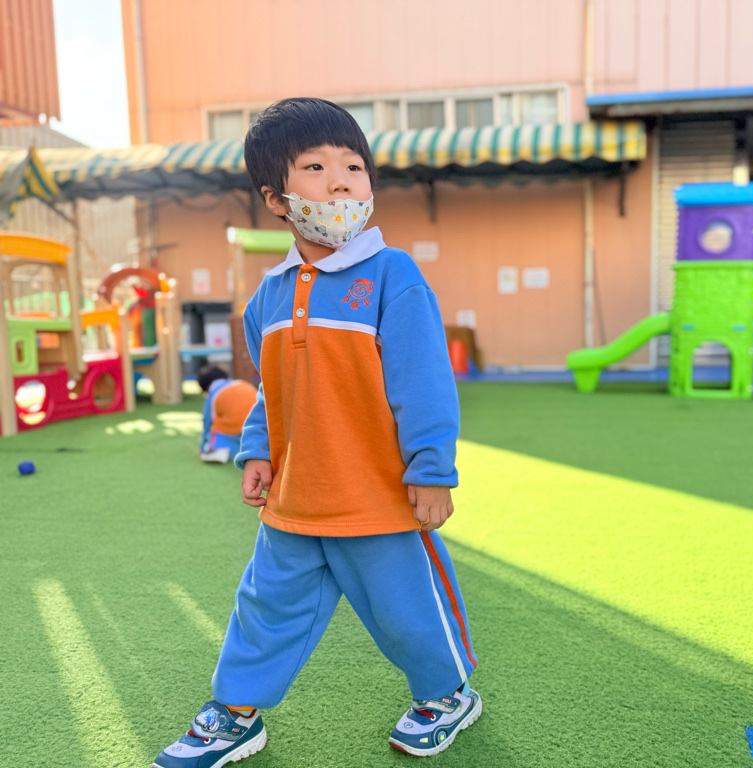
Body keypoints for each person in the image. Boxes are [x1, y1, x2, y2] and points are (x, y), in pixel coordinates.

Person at [153, 98, 478, 768]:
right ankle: (235, 713)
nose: (340, 182)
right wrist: (257, 449)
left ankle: (448, 695)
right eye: (316, 167)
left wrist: (431, 468)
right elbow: (273, 390)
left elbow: (423, 382)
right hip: (295, 499)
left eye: (353, 167)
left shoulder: (394, 276)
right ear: (276, 198)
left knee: (407, 612)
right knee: (264, 608)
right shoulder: (267, 298)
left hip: (379, 498)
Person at [196, 364, 258, 463]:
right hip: (255, 424)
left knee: (218, 427)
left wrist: (203, 446)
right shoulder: (243, 383)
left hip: (232, 428)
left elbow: (207, 421)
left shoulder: (214, 394)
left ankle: (217, 450)